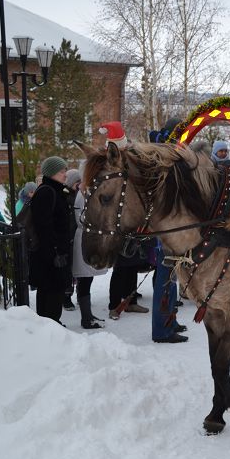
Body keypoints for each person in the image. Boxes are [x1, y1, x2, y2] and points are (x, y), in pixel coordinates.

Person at [100, 120, 152, 319]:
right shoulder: (110, 166)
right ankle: (114, 305)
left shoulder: (129, 165)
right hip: (119, 223)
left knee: (131, 266)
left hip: (133, 223)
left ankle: (130, 302)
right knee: (121, 268)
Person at [29, 156, 73, 325]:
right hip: (50, 256)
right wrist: (55, 252)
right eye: (62, 171)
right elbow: (43, 226)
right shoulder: (47, 192)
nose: (65, 174)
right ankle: (50, 326)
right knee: (52, 291)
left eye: (65, 170)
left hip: (55, 254)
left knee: (52, 291)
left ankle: (50, 325)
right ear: (52, 173)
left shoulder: (56, 190)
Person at [72, 169, 106, 329]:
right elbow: (81, 219)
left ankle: (88, 315)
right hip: (83, 238)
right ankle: (86, 318)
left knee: (87, 278)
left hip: (87, 237)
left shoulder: (85, 193)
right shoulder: (81, 195)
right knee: (84, 279)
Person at [151, 241, 189, 343]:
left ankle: (170, 322)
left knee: (171, 284)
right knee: (164, 288)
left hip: (172, 245)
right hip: (167, 247)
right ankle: (161, 332)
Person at [62, 169, 82, 312]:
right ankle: (66, 297)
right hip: (69, 237)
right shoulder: (66, 196)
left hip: (77, 236)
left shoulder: (78, 195)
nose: (79, 185)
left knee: (79, 268)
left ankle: (81, 294)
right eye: (77, 182)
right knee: (68, 270)